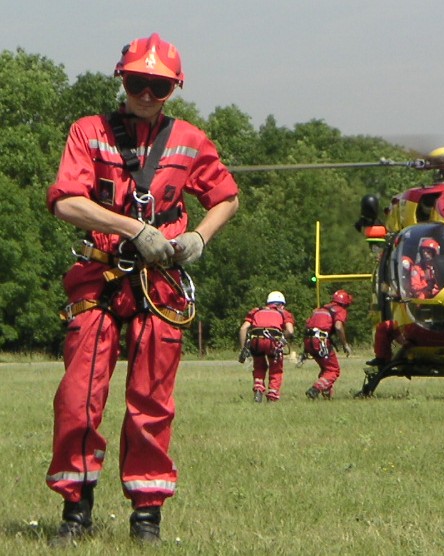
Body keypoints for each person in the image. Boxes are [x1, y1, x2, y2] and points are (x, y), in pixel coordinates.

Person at [45, 33, 239, 545]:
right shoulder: (88, 133)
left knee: (153, 398)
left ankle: (147, 516)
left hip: (162, 284)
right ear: (121, 80)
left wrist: (199, 236)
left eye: (158, 86)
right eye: (137, 83)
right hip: (103, 276)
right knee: (79, 396)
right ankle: (76, 508)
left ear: (174, 88)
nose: (147, 96)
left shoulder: (191, 141)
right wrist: (134, 230)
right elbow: (67, 202)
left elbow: (226, 197)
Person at [239, 291, 296, 402]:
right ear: (282, 304)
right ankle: (272, 395)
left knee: (259, 366)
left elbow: (243, 328)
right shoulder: (284, 313)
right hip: (272, 342)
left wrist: (243, 348)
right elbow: (290, 330)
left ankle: (258, 388)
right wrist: (282, 340)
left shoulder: (256, 311)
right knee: (276, 368)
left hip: (256, 341)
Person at [303, 290, 353, 399]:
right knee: (333, 370)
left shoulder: (319, 310)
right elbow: (339, 327)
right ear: (345, 302)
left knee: (325, 369)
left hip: (308, 340)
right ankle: (315, 389)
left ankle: (327, 395)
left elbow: (307, 325)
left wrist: (305, 350)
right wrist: (345, 344)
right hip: (320, 341)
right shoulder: (340, 310)